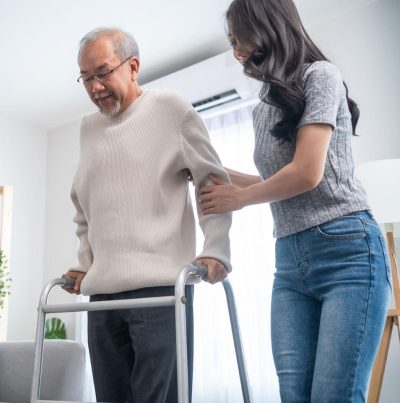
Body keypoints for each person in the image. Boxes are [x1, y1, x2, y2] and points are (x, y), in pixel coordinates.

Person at [199, 1, 391, 402]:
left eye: (240, 38)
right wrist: (201, 166)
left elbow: (307, 173)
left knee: (333, 395)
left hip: (347, 251)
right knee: (294, 396)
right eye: (232, 41)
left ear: (267, 25)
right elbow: (274, 182)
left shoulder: (321, 75)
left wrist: (240, 199)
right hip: (290, 261)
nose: (236, 51)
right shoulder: (264, 108)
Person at [62, 27, 232, 403]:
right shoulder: (88, 128)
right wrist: (85, 263)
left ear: (133, 66)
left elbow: (211, 183)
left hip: (160, 292)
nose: (95, 87)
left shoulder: (171, 110)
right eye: (86, 78)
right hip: (104, 298)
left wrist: (216, 248)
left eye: (103, 72)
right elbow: (84, 208)